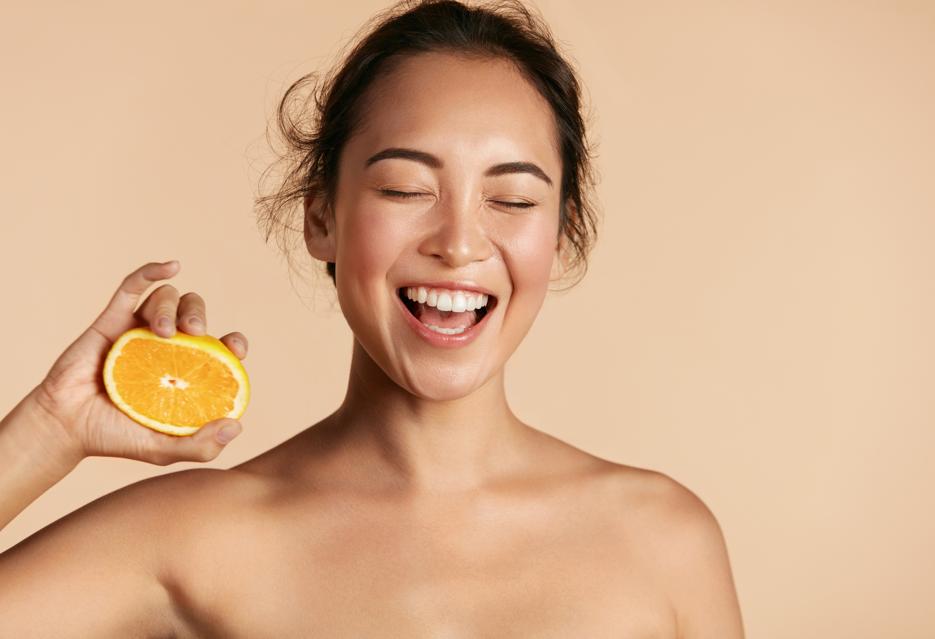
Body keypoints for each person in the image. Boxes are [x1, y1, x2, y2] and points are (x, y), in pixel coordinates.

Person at [0, 0, 745, 636]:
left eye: (513, 199)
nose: (457, 243)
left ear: (559, 233)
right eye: (403, 188)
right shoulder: (190, 537)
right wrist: (49, 428)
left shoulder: (665, 541)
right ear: (321, 215)